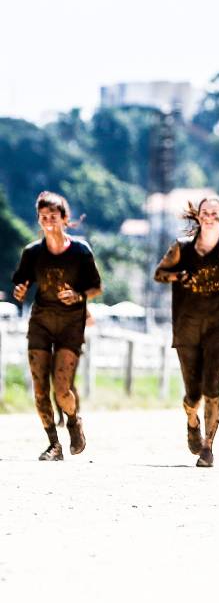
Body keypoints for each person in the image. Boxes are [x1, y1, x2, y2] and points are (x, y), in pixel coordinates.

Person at [154, 195, 219, 467]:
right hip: (187, 329)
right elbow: (159, 273)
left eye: (214, 213)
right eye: (204, 212)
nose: (209, 217)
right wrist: (176, 276)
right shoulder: (181, 249)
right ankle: (192, 421)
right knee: (193, 395)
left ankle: (208, 447)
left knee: (212, 389)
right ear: (198, 216)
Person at [12, 191, 102, 461]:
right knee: (40, 389)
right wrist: (20, 290)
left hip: (70, 325)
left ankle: (73, 420)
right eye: (43, 217)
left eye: (53, 216)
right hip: (41, 322)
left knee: (61, 388)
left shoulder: (80, 251)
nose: (48, 221)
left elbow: (97, 287)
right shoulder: (32, 253)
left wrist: (79, 296)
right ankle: (54, 444)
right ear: (39, 220)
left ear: (65, 219)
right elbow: (21, 282)